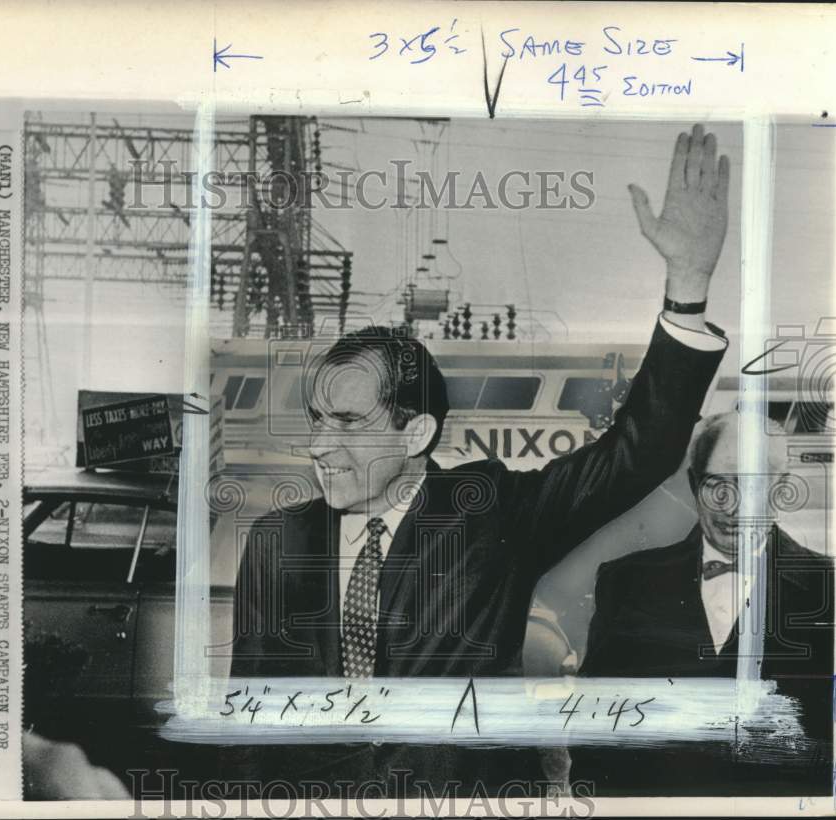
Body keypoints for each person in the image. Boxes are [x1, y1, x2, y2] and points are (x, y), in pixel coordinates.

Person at [225, 124, 731, 796]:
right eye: (317, 421)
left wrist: (688, 286)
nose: (320, 444)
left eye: (348, 422)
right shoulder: (275, 541)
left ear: (415, 434)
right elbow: (251, 730)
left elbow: (635, 454)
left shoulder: (491, 513)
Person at [573, 411, 835, 795]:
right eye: (719, 485)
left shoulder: (831, 587)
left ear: (781, 491)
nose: (735, 507)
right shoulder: (625, 581)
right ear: (695, 484)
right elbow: (594, 732)